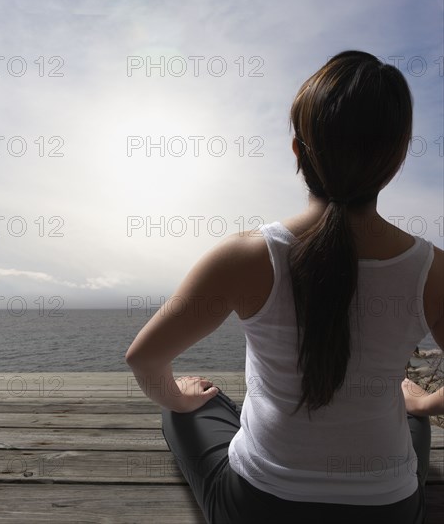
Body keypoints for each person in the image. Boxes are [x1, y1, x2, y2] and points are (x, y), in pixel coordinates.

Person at [125, 50, 444, 524]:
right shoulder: (431, 268)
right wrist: (427, 401)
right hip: (387, 510)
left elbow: (144, 359)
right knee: (412, 419)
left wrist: (179, 396)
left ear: (298, 150)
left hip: (258, 507)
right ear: (397, 160)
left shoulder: (246, 255)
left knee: (189, 406)